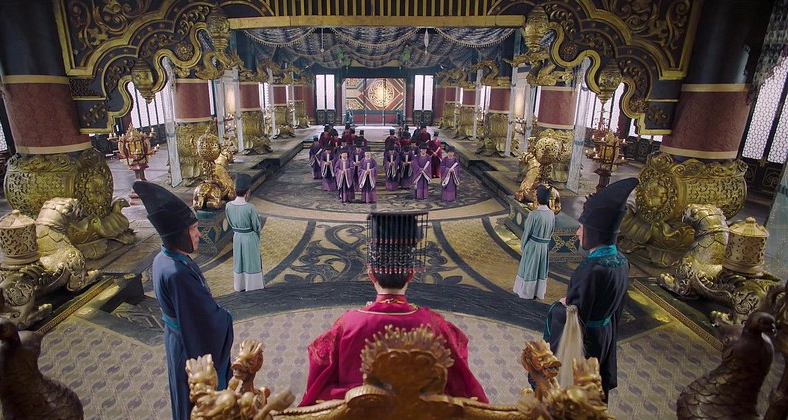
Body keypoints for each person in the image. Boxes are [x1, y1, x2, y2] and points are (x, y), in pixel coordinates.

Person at [299, 212, 488, 407]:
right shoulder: (435, 324)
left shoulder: (347, 324)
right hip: (419, 416)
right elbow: (459, 379)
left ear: (371, 274)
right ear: (411, 275)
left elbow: (320, 367)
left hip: (360, 415)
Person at [132, 181, 234, 420]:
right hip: (188, 343)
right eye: (194, 229)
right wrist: (224, 317)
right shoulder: (177, 273)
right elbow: (203, 321)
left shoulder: (163, 258)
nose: (198, 234)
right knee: (194, 399)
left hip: (177, 338)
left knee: (182, 394)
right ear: (179, 235)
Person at [543, 178, 638, 401]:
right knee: (595, 385)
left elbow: (576, 316)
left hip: (585, 343)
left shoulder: (592, 268)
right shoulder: (622, 261)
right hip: (605, 334)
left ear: (593, 232)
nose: (577, 233)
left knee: (578, 389)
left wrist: (560, 307)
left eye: (581, 227)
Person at [512, 185, 555, 300]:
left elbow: (527, 232)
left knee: (529, 269)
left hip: (533, 246)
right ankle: (538, 292)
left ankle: (526, 292)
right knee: (540, 270)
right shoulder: (551, 214)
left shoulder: (534, 214)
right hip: (544, 247)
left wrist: (523, 246)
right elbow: (551, 231)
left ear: (537, 198)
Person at [225, 174, 265, 292]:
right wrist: (256, 235)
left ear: (235, 190)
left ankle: (240, 285)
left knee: (239, 261)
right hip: (249, 237)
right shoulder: (250, 207)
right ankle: (252, 285)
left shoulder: (228, 206)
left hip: (237, 236)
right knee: (251, 261)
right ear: (247, 192)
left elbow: (229, 221)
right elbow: (256, 225)